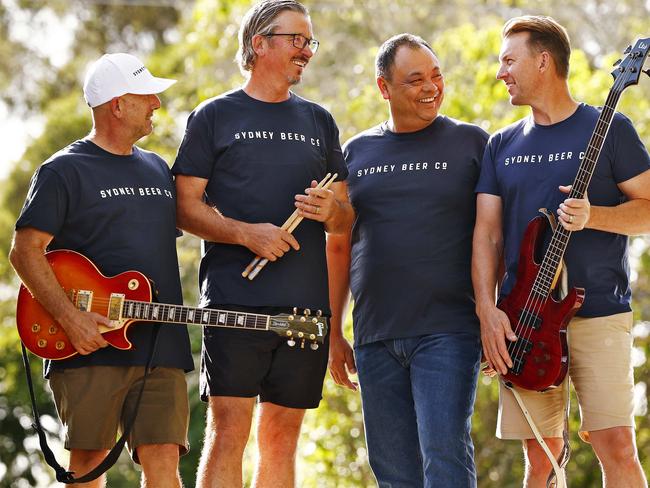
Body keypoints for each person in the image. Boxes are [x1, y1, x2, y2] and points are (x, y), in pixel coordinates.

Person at [171, 1, 353, 486]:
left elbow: (345, 218)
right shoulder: (213, 116)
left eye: (309, 42)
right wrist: (245, 233)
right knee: (229, 429)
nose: (306, 51)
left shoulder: (320, 121)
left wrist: (331, 211)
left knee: (282, 438)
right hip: (234, 302)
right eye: (296, 39)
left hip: (305, 311)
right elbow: (184, 206)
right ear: (259, 43)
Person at [473, 15, 650, 488]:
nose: (500, 72)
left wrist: (596, 216)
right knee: (541, 454)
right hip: (524, 317)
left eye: (509, 60)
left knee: (616, 445)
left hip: (600, 313)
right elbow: (487, 235)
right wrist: (488, 312)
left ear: (544, 60)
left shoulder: (611, 128)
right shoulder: (501, 146)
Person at [9, 53, 194, 488]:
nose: (157, 103)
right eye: (146, 94)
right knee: (89, 463)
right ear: (116, 104)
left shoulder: (157, 169)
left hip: (159, 343)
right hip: (87, 344)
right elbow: (24, 251)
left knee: (165, 459)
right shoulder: (62, 170)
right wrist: (70, 320)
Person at [327, 34, 488, 487]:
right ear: (384, 88)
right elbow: (338, 243)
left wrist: (494, 313)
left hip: (449, 330)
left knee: (444, 457)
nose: (430, 87)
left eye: (436, 75)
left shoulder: (473, 144)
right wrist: (334, 330)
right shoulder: (356, 153)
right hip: (375, 336)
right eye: (415, 79)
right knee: (393, 473)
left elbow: (494, 235)